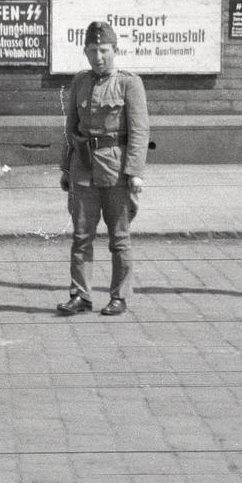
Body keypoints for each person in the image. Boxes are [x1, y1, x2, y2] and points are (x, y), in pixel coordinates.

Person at [57, 20, 148, 318]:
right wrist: (65, 168)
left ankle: (119, 297)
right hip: (82, 167)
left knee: (119, 237)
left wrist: (135, 172)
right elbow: (71, 127)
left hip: (116, 169)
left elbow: (139, 131)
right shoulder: (80, 82)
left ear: (115, 50)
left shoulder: (128, 83)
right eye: (93, 50)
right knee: (81, 236)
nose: (99, 57)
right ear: (85, 52)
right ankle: (80, 295)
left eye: (104, 50)